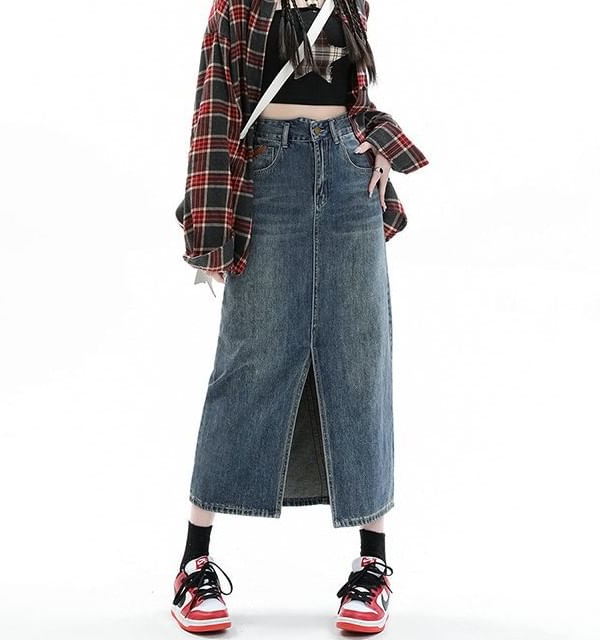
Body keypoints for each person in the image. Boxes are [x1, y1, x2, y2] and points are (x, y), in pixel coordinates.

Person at [171, 0, 428, 634]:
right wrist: (210, 230)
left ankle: (372, 565)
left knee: (361, 360)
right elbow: (214, 111)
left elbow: (353, 95)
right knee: (248, 361)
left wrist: (377, 141)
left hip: (350, 179)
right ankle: (194, 563)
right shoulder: (236, 6)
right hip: (268, 177)